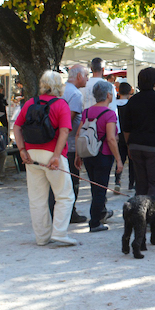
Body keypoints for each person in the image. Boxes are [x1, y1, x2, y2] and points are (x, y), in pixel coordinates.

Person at [13, 71, 78, 247]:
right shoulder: (61, 104)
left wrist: (21, 150)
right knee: (65, 196)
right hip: (52, 154)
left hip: (32, 153)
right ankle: (59, 233)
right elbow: (64, 131)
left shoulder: (29, 103)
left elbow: (17, 127)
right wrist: (57, 156)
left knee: (37, 198)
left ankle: (42, 237)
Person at [122, 67, 155, 203]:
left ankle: (140, 214)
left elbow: (126, 127)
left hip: (136, 145)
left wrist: (129, 145)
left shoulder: (133, 100)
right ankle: (151, 216)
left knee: (141, 184)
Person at [76, 80, 123, 233]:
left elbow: (79, 134)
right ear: (109, 95)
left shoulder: (87, 112)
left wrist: (78, 154)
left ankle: (100, 214)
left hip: (88, 153)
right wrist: (119, 159)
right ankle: (95, 222)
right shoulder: (109, 114)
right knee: (100, 189)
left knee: (94, 186)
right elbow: (110, 138)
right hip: (103, 154)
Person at [59, 64, 88, 223]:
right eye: (86, 75)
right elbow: (67, 123)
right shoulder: (75, 94)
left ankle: (60, 212)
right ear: (78, 76)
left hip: (58, 145)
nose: (87, 78)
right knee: (71, 182)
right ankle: (70, 213)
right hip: (68, 146)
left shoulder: (60, 91)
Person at [114, 81, 135, 191]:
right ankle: (132, 183)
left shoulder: (114, 104)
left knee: (119, 159)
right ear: (130, 91)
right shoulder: (131, 105)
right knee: (132, 161)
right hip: (130, 136)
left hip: (117, 135)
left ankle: (117, 181)